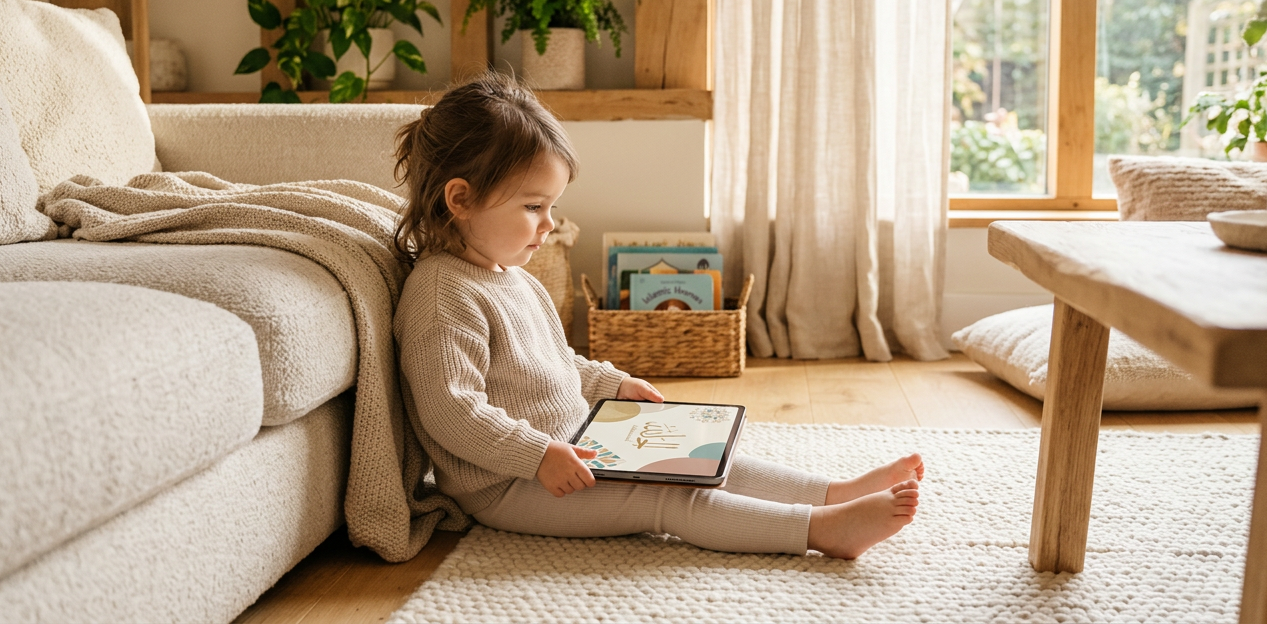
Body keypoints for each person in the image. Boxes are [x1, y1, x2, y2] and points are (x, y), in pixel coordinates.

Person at [391, 72, 923, 559]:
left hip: (574, 442)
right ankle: (817, 530)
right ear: (460, 199)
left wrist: (613, 385)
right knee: (667, 499)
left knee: (702, 458)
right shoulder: (442, 295)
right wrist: (538, 456)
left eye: (551, 206)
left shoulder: (511, 276)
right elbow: (453, 412)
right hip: (509, 484)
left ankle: (833, 493)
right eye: (533, 207)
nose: (549, 223)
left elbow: (555, 364)